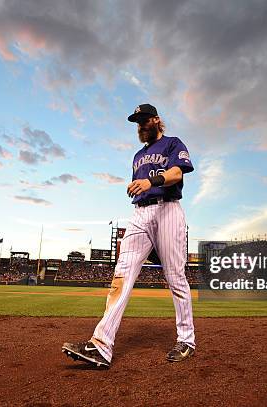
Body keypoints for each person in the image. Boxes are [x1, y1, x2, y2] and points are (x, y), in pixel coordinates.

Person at [62, 104, 196, 368]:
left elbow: (178, 173)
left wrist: (150, 181)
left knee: (175, 277)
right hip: (140, 214)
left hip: (168, 210)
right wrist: (139, 185)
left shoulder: (172, 143)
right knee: (121, 275)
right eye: (137, 122)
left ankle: (186, 340)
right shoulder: (137, 156)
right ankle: (101, 346)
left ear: (157, 120)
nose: (141, 126)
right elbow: (142, 184)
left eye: (145, 120)